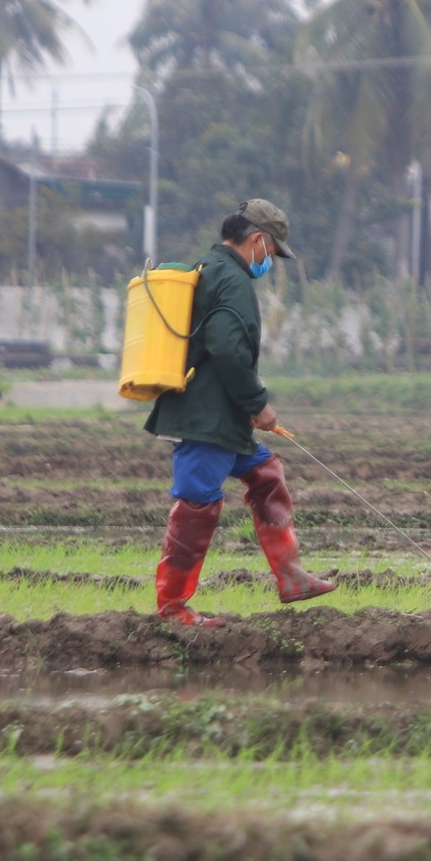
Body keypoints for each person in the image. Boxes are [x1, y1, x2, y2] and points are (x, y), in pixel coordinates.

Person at [145, 199, 336, 625]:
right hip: (205, 419)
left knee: (266, 472)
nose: (271, 261)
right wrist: (257, 404)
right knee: (197, 505)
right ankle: (172, 608)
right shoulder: (232, 280)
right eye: (271, 252)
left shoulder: (210, 268)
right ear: (256, 240)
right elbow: (228, 350)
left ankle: (291, 577)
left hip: (221, 416)